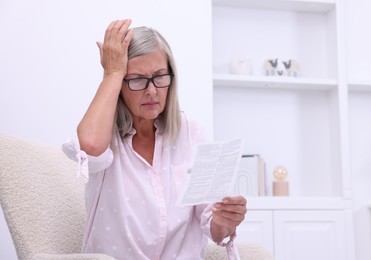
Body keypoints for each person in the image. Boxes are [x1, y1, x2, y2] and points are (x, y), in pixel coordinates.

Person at [62, 18, 247, 260]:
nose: (152, 91)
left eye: (160, 77)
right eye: (137, 79)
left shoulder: (193, 132)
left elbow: (213, 226)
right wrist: (112, 72)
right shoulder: (107, 137)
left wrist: (225, 221)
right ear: (119, 85)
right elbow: (90, 148)